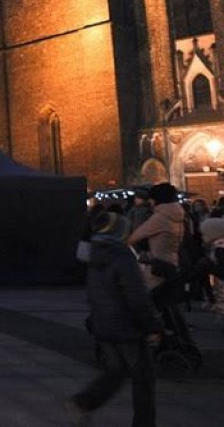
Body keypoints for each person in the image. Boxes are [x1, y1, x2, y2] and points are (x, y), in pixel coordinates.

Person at [67, 211, 161, 427]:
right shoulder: (122, 257)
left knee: (116, 372)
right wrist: (152, 325)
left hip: (104, 324)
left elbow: (93, 294)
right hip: (127, 326)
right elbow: (136, 297)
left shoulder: (95, 256)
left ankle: (84, 402)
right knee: (143, 379)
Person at [127, 182, 184, 290]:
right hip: (172, 262)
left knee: (147, 296)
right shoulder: (177, 215)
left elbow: (134, 237)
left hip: (157, 267)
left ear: (156, 199)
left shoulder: (159, 218)